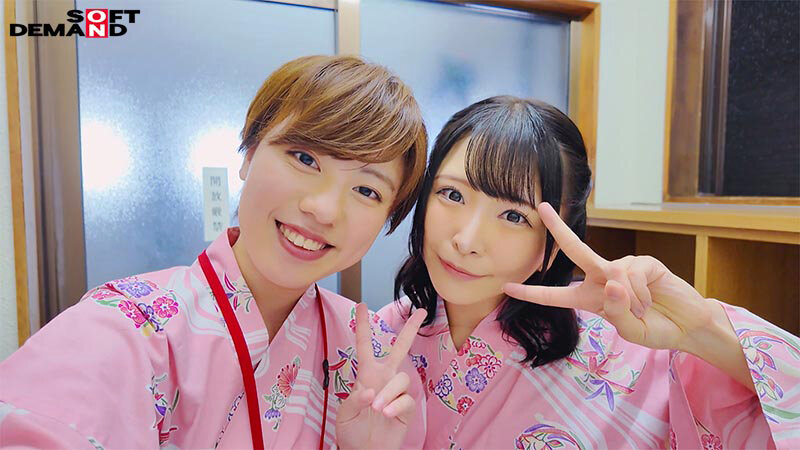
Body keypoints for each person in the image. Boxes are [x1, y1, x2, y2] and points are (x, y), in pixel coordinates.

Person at [0, 55, 429, 449]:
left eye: (366, 190)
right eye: (304, 158)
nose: (324, 208)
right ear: (249, 154)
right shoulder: (126, 328)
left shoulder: (378, 360)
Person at [379, 96, 800, 449]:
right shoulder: (378, 338)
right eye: (452, 194)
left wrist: (701, 328)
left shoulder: (627, 343)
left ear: (553, 245)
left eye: (514, 216)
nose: (467, 240)